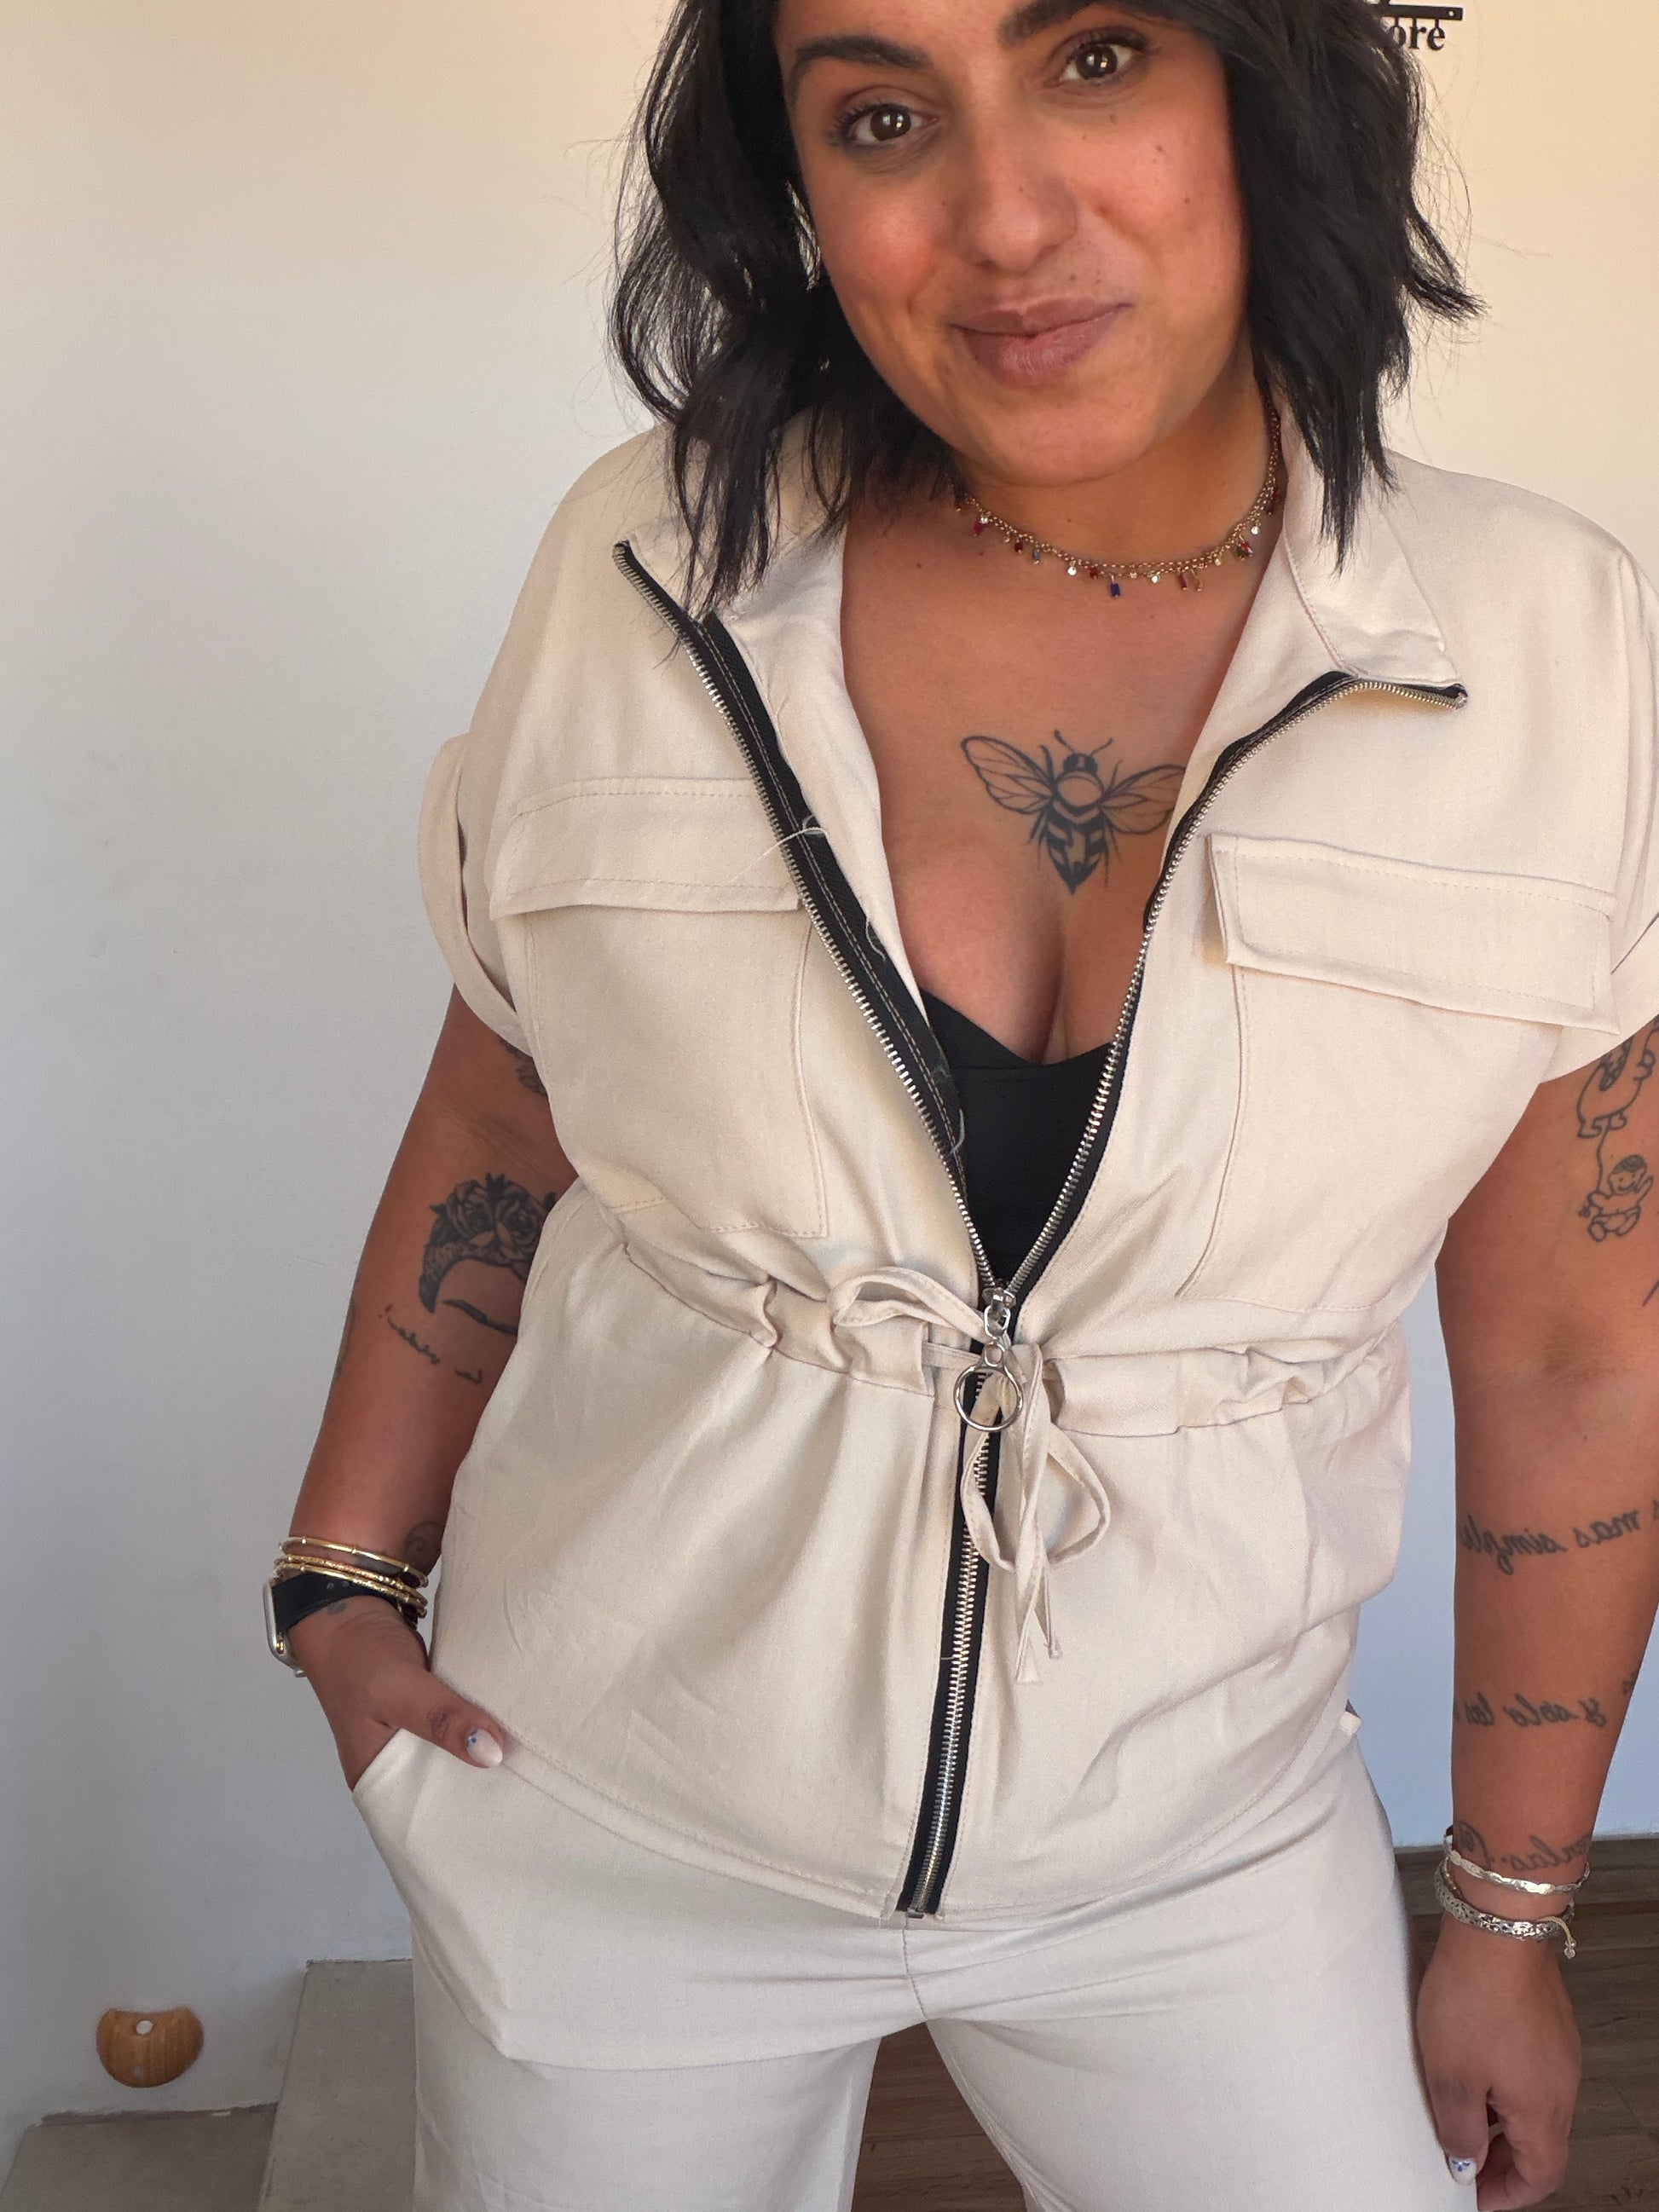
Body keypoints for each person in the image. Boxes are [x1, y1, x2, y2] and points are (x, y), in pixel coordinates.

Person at [266, 1, 1659, 2206]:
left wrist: (1506, 1916)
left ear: (1267, 84)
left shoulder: (1546, 651)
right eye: (882, 113)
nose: (1003, 218)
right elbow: (503, 1098)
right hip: (605, 1798)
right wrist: (343, 1570)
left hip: (1198, 1837)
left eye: (1094, 58)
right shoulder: (647, 567)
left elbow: (1574, 1353)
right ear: (795, 186)